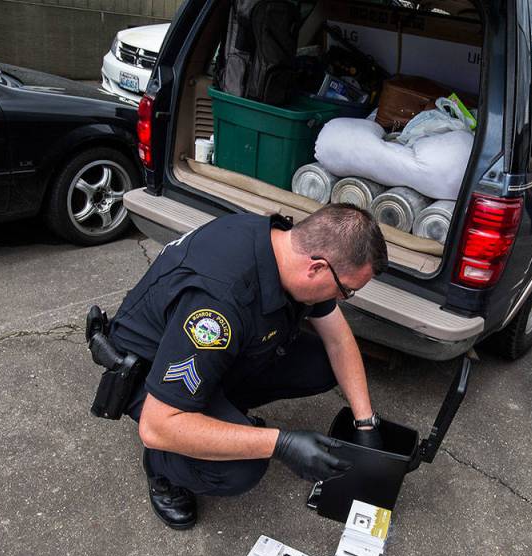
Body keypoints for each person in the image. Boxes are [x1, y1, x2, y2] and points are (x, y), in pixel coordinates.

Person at [103, 204, 388, 530]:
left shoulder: (286, 245)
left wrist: (365, 422)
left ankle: (223, 413)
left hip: (218, 351)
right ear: (317, 268)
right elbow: (156, 425)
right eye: (346, 290)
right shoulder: (218, 306)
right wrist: (280, 443)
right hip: (153, 372)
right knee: (241, 469)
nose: (344, 297)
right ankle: (165, 468)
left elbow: (337, 339)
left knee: (322, 363)